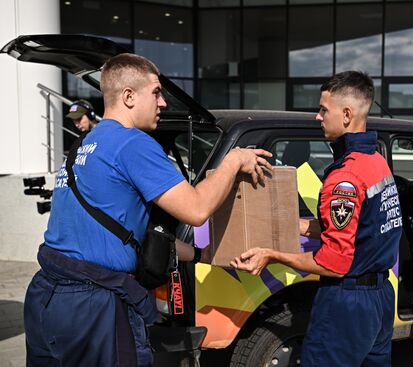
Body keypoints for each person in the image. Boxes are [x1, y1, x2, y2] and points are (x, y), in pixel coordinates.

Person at [24, 53, 272, 367]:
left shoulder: (84, 145)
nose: (163, 103)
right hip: (93, 306)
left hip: (47, 297)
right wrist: (234, 160)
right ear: (128, 96)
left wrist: (200, 255)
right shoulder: (132, 144)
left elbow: (127, 232)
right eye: (156, 93)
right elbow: (196, 210)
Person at [231, 71, 402, 367]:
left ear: (346, 114)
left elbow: (333, 263)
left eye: (324, 109)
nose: (317, 117)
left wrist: (272, 255)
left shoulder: (345, 177)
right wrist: (282, 225)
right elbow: (349, 227)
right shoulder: (375, 162)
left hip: (347, 301)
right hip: (380, 297)